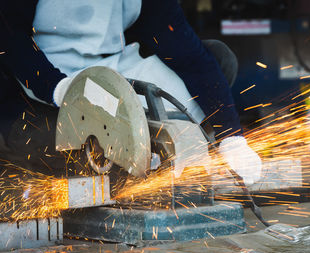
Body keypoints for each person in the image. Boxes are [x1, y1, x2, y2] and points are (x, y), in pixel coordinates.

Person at [0, 0, 261, 185]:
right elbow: (10, 40)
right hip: (42, 79)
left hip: (115, 66)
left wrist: (232, 137)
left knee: (219, 59)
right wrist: (57, 88)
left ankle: (149, 151)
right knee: (70, 155)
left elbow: (189, 55)